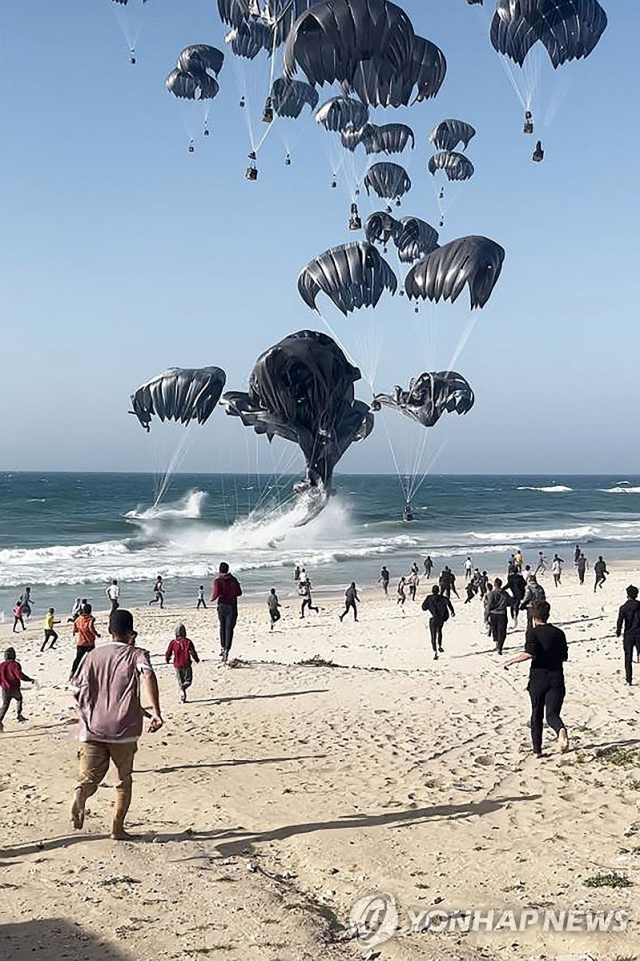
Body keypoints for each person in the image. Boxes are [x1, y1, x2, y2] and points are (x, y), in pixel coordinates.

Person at [70, 608, 163, 840]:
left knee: (89, 777)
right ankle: (117, 829)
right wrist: (155, 712)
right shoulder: (137, 654)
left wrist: (85, 714)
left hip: (93, 727)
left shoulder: (91, 656)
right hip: (123, 730)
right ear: (131, 633)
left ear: (109, 631)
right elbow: (148, 675)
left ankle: (81, 794)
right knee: (123, 781)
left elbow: (75, 689)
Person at [504, 600, 569, 757]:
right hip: (556, 677)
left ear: (534, 616)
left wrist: (511, 661)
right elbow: (564, 657)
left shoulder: (532, 633)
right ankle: (560, 729)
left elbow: (530, 653)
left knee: (536, 713)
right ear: (548, 614)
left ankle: (537, 750)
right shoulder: (559, 633)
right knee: (552, 714)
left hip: (538, 678)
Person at [211, 562, 242, 662]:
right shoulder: (233, 580)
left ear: (219, 570)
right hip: (232, 606)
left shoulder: (218, 581)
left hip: (222, 606)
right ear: (227, 570)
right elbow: (239, 593)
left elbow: (215, 595)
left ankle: (222, 647)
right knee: (229, 629)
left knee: (222, 627)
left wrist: (212, 599)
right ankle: (227, 650)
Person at [0, 647, 34, 730]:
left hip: (4, 688)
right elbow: (20, 675)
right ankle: (19, 715)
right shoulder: (15, 664)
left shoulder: (1, 665)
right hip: (14, 688)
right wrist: (29, 679)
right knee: (19, 699)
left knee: (5, 705)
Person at [165, 623, 200, 702]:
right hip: (187, 664)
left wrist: (167, 659)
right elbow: (193, 652)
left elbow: (168, 652)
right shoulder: (188, 642)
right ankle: (183, 689)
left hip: (177, 665)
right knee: (188, 680)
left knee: (180, 681)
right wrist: (196, 659)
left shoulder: (173, 642)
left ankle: (182, 697)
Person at [421, 585, 455, 660]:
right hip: (441, 619)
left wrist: (430, 607)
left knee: (433, 636)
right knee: (439, 631)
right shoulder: (443, 598)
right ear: (438, 591)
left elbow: (423, 607)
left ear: (432, 591)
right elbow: (449, 603)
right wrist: (452, 611)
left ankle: (435, 652)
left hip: (433, 619)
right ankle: (439, 645)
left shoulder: (429, 598)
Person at [616, 585, 640, 686]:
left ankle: (629, 679)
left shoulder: (623, 607)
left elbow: (620, 621)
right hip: (639, 633)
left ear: (627, 595)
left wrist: (618, 631)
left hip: (629, 634)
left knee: (628, 657)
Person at [70, 603, 100, 676]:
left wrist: (76, 630)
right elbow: (91, 628)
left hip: (81, 642)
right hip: (90, 642)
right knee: (93, 659)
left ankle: (72, 673)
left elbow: (75, 628)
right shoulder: (91, 619)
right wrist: (97, 634)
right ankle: (93, 673)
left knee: (78, 659)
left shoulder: (78, 619)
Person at [485, 578, 512, 654]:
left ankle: (497, 643)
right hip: (502, 613)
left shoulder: (491, 594)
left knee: (495, 630)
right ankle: (500, 646)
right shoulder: (505, 593)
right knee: (502, 631)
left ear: (494, 585)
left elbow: (489, 606)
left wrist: (486, 617)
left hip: (493, 614)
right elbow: (510, 602)